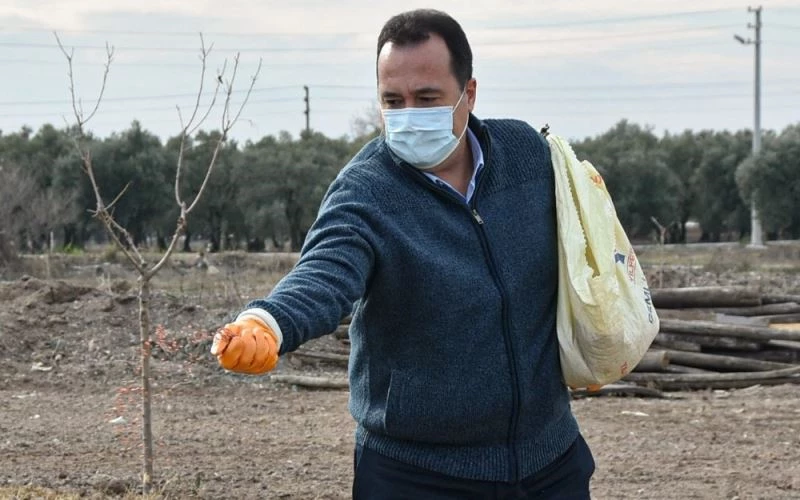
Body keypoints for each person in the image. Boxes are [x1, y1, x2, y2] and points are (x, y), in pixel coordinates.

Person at [211, 9, 595, 499]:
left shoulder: (527, 155)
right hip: (418, 476)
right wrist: (267, 323)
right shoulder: (366, 192)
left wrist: (597, 338)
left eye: (427, 98)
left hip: (549, 462)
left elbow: (590, 246)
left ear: (468, 94)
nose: (409, 113)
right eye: (393, 100)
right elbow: (324, 273)